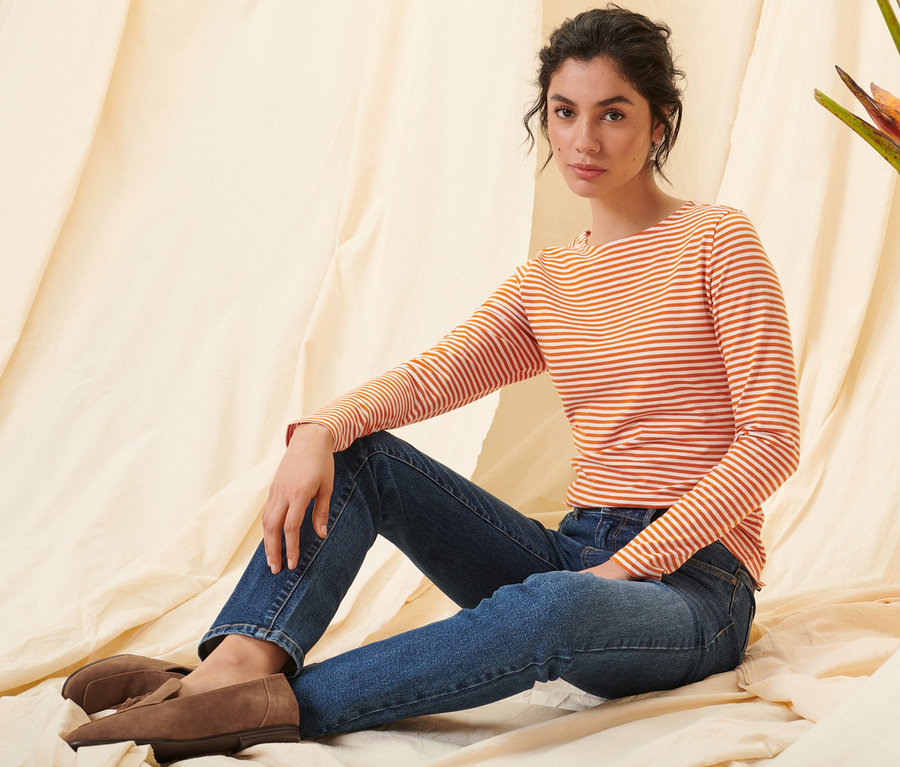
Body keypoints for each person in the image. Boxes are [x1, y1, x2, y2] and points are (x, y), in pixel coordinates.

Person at [62, 5, 800, 761]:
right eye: (564, 112)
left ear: (659, 123)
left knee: (553, 604)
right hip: (576, 554)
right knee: (363, 454)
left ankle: (258, 708)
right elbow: (436, 374)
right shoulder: (549, 280)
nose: (584, 139)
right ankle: (237, 663)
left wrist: (624, 567)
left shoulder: (718, 241)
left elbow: (772, 441)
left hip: (694, 588)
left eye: (614, 113)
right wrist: (320, 427)